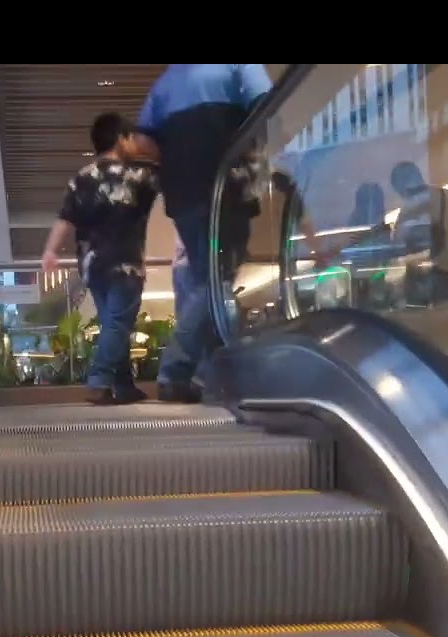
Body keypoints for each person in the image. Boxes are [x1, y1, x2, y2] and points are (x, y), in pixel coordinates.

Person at [134, 64, 274, 403]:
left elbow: (142, 140)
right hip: (225, 186)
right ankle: (176, 370)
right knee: (215, 279)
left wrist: (177, 159)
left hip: (183, 195)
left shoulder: (165, 82)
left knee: (204, 277)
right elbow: (266, 103)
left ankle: (214, 376)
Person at [40, 112, 160, 405]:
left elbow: (64, 218)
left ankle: (122, 385)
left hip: (92, 266)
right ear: (121, 138)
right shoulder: (139, 175)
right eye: (130, 137)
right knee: (119, 322)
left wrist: (50, 251)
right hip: (125, 262)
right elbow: (173, 181)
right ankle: (99, 379)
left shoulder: (82, 177)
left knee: (111, 322)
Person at [387, 161, 448, 304]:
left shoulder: (414, 203)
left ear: (401, 184)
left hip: (423, 272)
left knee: (420, 319)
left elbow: (398, 241)